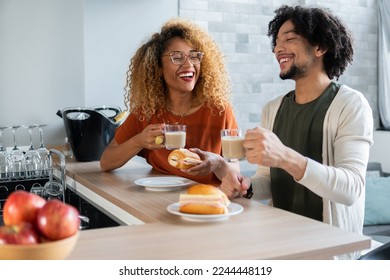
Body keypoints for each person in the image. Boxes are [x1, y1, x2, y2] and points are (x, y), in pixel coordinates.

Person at [220, 5, 373, 259]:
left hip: (330, 255)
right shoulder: (273, 108)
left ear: (320, 47)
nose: (278, 49)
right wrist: (246, 188)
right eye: (276, 43)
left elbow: (350, 189)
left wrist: (284, 157)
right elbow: (269, 181)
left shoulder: (351, 104)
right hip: (281, 245)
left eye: (289, 39)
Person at [100, 18, 239, 186]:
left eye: (194, 56)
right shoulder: (147, 111)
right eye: (177, 57)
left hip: (207, 200)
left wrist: (217, 163)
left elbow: (234, 169)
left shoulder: (219, 109)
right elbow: (106, 162)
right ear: (157, 67)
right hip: (160, 200)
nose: (189, 64)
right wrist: (139, 141)